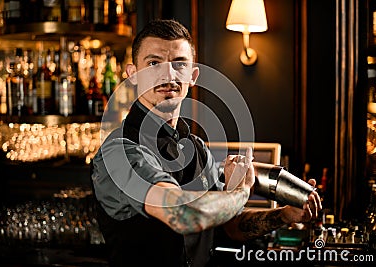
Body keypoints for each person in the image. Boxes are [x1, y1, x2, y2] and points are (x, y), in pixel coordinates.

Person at [91, 19, 322, 267]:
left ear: (193, 76)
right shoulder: (119, 152)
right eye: (154, 63)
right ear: (133, 75)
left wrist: (284, 215)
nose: (168, 75)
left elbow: (229, 225)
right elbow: (182, 214)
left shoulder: (197, 147)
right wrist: (241, 192)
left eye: (179, 64)